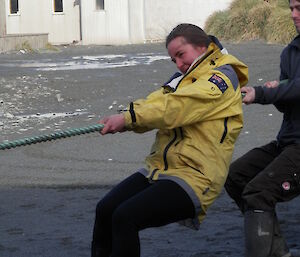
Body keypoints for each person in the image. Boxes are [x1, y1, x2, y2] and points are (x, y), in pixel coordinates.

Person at [91, 23, 248, 257]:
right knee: (105, 209)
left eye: (181, 55)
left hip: (196, 176)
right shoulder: (183, 78)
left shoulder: (222, 78)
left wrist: (128, 119)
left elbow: (178, 106)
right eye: (173, 59)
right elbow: (157, 101)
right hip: (161, 169)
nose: (179, 64)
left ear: (203, 47)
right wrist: (126, 118)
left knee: (125, 217)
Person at [225, 0, 300, 256]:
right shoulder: (290, 52)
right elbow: (289, 103)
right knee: (236, 177)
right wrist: (277, 94)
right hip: (287, 141)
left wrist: (262, 93)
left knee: (258, 192)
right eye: (291, 8)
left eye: (299, 8)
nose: (293, 14)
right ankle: (279, 252)